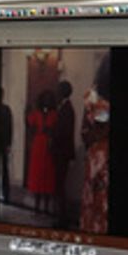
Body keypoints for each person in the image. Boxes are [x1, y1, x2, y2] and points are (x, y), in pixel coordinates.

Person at [80, 56, 112, 234]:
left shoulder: (92, 99)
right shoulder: (97, 103)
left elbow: (86, 133)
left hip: (96, 158)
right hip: (101, 157)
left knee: (93, 207)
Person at [24, 90, 57, 215]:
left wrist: (50, 134)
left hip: (48, 147)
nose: (47, 102)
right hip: (38, 145)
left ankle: (46, 208)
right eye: (45, 99)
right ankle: (37, 207)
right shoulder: (36, 113)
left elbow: (55, 129)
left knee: (47, 176)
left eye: (49, 99)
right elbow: (29, 124)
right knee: (37, 175)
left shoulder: (54, 114)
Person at [51, 80, 76, 225]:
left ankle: (62, 219)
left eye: (58, 89)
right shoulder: (64, 107)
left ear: (63, 92)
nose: (56, 92)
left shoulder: (67, 109)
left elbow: (64, 132)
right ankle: (60, 217)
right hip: (61, 153)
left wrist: (53, 135)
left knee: (60, 186)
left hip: (62, 153)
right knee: (59, 186)